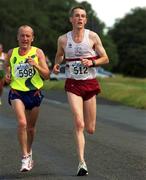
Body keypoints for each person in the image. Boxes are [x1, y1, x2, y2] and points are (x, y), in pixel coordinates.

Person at [53, 6, 109, 176]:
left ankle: (85, 132)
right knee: (79, 123)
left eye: (83, 16)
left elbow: (105, 58)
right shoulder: (63, 39)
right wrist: (57, 64)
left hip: (90, 83)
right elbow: (59, 55)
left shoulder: (92, 36)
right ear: (71, 19)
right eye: (76, 16)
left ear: (85, 20)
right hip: (73, 85)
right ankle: (81, 163)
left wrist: (92, 63)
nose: (79, 18)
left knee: (90, 128)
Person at [5, 25, 50, 172]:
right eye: (22, 35)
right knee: (22, 123)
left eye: (27, 36)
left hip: (34, 93)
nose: (25, 38)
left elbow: (47, 75)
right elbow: (6, 67)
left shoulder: (38, 52)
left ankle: (29, 152)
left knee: (30, 129)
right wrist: (7, 75)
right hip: (17, 92)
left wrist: (35, 64)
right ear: (17, 37)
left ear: (32, 38)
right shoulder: (11, 53)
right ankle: (24, 157)